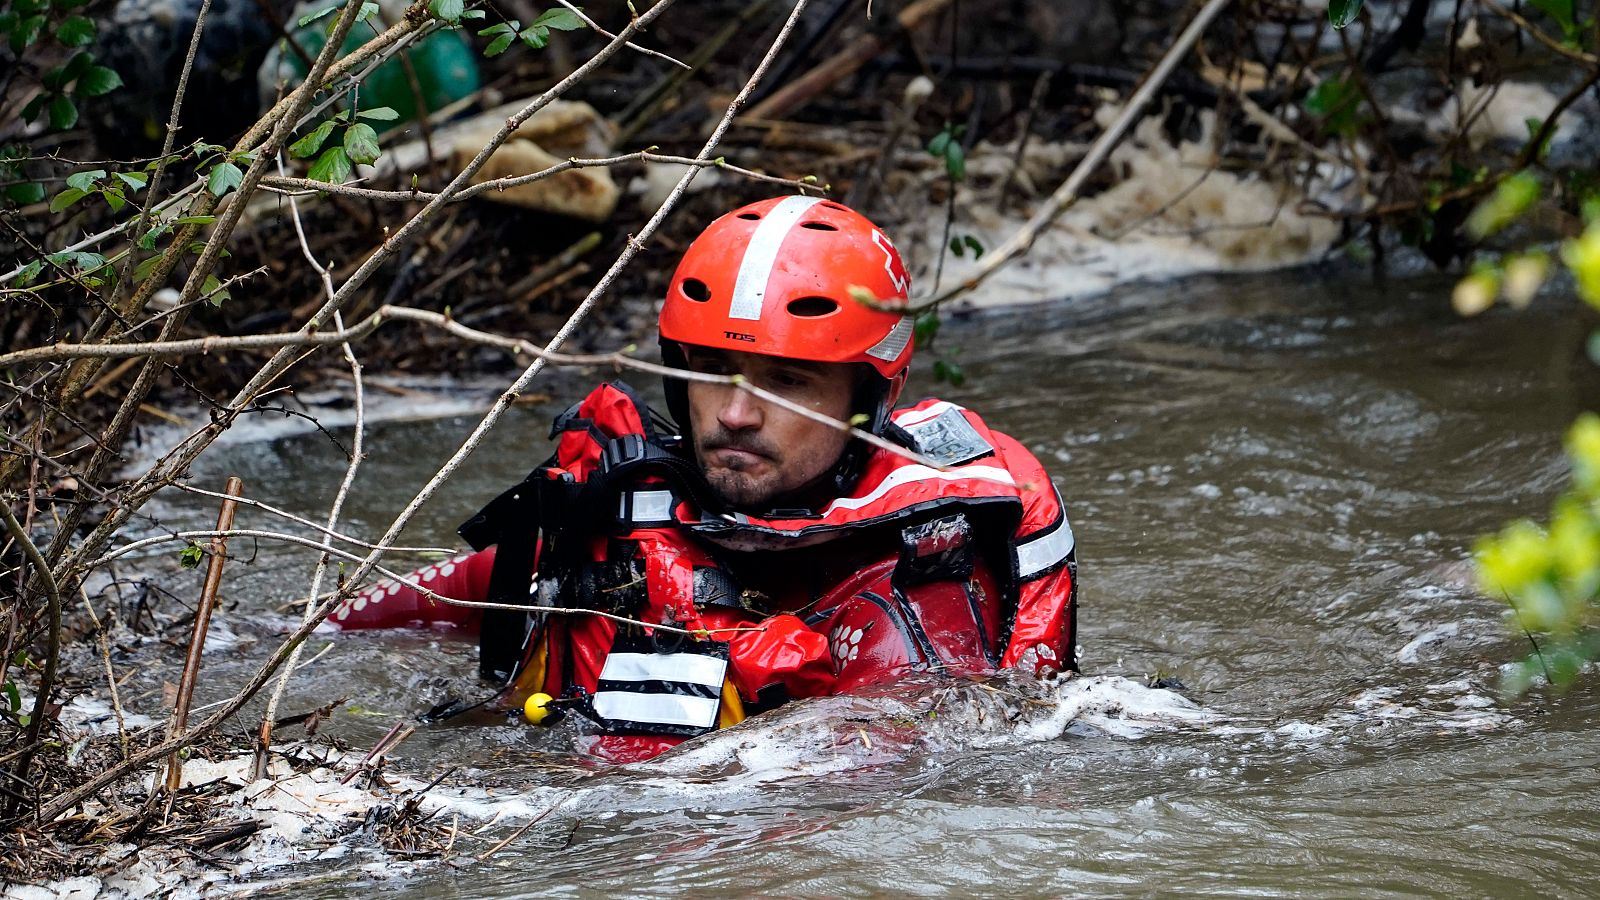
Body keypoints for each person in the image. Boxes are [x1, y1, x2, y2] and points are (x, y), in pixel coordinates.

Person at [331, 196, 1078, 761]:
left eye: (786, 382)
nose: (736, 414)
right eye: (715, 372)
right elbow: (427, 600)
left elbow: (861, 807)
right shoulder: (637, 509)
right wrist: (264, 635)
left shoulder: (915, 595)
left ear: (867, 399)